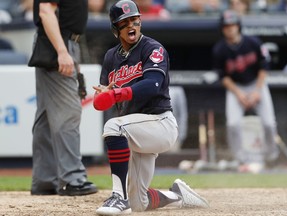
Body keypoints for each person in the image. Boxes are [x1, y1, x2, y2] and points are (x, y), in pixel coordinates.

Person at [93, 0, 209, 214]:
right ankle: (178, 196)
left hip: (159, 123)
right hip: (135, 128)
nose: (131, 26)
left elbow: (152, 85)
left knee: (113, 127)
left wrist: (118, 93)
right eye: (124, 22)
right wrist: (102, 96)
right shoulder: (111, 57)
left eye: (134, 20)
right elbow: (103, 97)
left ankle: (119, 197)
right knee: (140, 203)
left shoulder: (152, 48)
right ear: (115, 29)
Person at [30, 0, 98, 196]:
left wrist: (69, 52)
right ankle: (72, 178)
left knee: (45, 117)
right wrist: (62, 51)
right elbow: (45, 11)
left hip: (62, 41)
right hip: (57, 43)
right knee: (68, 112)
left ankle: (45, 180)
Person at [212, 10, 280, 169]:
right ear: (223, 28)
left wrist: (257, 91)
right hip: (236, 88)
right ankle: (240, 159)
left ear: (238, 26)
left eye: (233, 25)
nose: (230, 28)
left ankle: (271, 156)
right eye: (226, 26)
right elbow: (223, 77)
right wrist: (239, 94)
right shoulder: (219, 49)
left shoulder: (253, 42)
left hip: (257, 84)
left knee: (269, 123)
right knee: (233, 124)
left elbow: (264, 67)